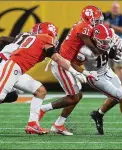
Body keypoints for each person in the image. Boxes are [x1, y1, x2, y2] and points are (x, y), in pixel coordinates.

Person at [0, 22, 87, 135]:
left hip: (11, 67)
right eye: (54, 35)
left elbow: (10, 43)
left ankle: (33, 124)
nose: (56, 38)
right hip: (11, 67)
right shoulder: (46, 38)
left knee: (40, 91)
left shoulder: (32, 37)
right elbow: (57, 58)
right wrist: (75, 72)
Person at [76, 24, 122, 135]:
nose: (106, 44)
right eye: (103, 42)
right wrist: (83, 73)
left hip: (108, 71)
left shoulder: (108, 35)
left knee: (117, 97)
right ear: (94, 39)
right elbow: (74, 63)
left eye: (108, 41)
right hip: (96, 77)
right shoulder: (85, 50)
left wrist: (118, 48)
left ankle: (98, 114)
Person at [39, 5, 103, 135]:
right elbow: (90, 45)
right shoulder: (84, 26)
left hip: (67, 63)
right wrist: (100, 51)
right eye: (95, 19)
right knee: (74, 97)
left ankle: (58, 124)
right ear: (89, 18)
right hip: (63, 64)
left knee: (78, 95)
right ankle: (42, 109)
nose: (97, 21)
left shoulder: (83, 25)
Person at [103, 1, 122, 89]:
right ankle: (113, 87)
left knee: (120, 67)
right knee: (109, 68)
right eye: (113, 8)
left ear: (119, 10)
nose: (114, 10)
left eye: (116, 8)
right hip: (111, 46)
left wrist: (109, 25)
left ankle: (121, 88)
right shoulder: (107, 16)